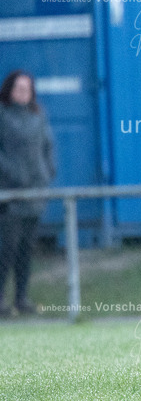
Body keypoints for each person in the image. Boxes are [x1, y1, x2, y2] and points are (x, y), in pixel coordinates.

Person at [0, 71, 56, 317]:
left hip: (35, 193)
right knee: (6, 249)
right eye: (18, 88)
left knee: (26, 249)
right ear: (9, 89)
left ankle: (22, 298)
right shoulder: (2, 115)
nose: (23, 92)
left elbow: (48, 146)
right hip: (9, 196)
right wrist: (12, 173)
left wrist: (47, 172)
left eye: (27, 88)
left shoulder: (38, 115)